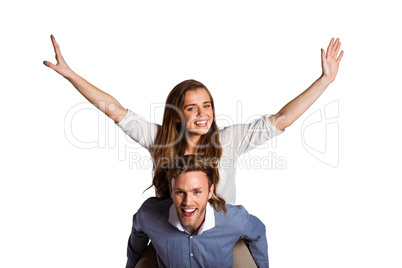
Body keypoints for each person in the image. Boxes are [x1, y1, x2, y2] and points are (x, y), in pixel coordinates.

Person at [43, 35, 344, 205]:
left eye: (207, 106)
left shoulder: (227, 140)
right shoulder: (160, 140)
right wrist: (71, 76)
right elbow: (114, 109)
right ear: (177, 114)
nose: (203, 114)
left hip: (220, 235)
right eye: (192, 108)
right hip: (172, 235)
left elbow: (281, 120)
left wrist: (324, 81)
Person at [126, 155, 269, 268]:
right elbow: (138, 230)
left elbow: (258, 232)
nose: (188, 202)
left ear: (210, 191)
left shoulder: (234, 220)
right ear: (171, 190)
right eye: (180, 192)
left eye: (196, 192)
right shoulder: (148, 214)